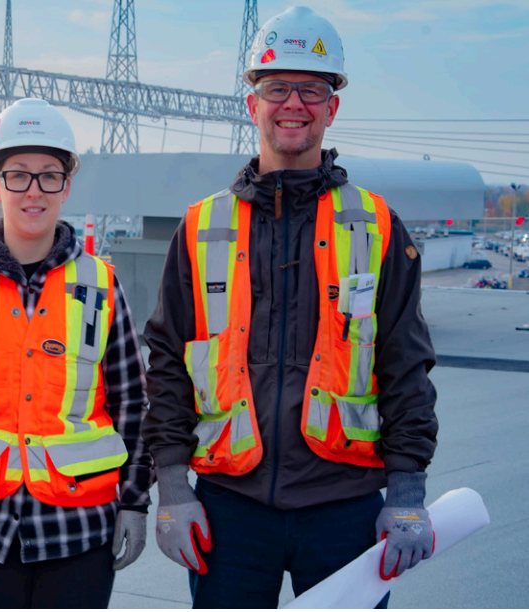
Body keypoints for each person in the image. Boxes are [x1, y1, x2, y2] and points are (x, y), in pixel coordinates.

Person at [142, 6, 438, 609]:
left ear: (333, 107)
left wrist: (406, 490)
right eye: (277, 88)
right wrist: (173, 485)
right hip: (228, 508)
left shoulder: (377, 226)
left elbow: (404, 364)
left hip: (346, 507)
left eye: (312, 89)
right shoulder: (201, 229)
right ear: (253, 103)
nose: (294, 104)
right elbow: (168, 362)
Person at [0, 98, 153, 608]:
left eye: (49, 176)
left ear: (67, 184)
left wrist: (135, 502)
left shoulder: (100, 287)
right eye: (18, 175)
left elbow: (133, 403)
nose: (33, 191)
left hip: (81, 527)